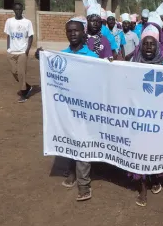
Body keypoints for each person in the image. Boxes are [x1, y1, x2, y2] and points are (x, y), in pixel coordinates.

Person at [36, 17, 99, 202]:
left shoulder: (93, 58)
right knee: (70, 141)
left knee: (82, 144)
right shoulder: (60, 57)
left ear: (84, 33)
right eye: (69, 31)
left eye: (76, 30)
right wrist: (42, 58)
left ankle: (84, 185)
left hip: (86, 111)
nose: (73, 34)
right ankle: (71, 172)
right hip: (66, 110)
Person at [130, 23, 163, 207]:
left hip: (158, 119)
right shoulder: (132, 66)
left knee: (154, 151)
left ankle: (154, 177)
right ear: (140, 45)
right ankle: (143, 188)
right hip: (138, 118)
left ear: (157, 46)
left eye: (152, 44)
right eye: (145, 44)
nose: (148, 47)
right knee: (140, 151)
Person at [4, 2, 34, 103]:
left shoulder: (27, 22)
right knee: (14, 72)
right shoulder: (9, 21)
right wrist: (8, 48)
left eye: (19, 9)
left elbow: (31, 37)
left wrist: (27, 50)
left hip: (22, 52)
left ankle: (23, 94)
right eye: (16, 9)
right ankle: (28, 87)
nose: (18, 11)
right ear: (13, 10)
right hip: (11, 52)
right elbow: (8, 35)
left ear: (22, 10)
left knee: (21, 73)